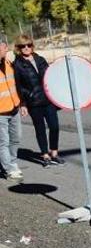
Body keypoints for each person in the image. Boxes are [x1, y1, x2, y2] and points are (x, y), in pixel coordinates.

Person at [13, 35, 62, 168]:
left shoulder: (40, 59)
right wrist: (23, 103)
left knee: (54, 126)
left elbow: (50, 76)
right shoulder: (17, 64)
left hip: (48, 100)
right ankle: (45, 155)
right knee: (40, 129)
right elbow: (18, 86)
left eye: (29, 45)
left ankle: (54, 152)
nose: (26, 48)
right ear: (18, 48)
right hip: (33, 102)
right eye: (23, 46)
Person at [0, 40, 24, 182]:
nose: (3, 50)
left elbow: (17, 86)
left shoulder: (9, 64)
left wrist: (22, 104)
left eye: (3, 47)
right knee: (3, 142)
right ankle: (8, 169)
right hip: (0, 112)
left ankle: (12, 162)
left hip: (14, 108)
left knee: (16, 138)